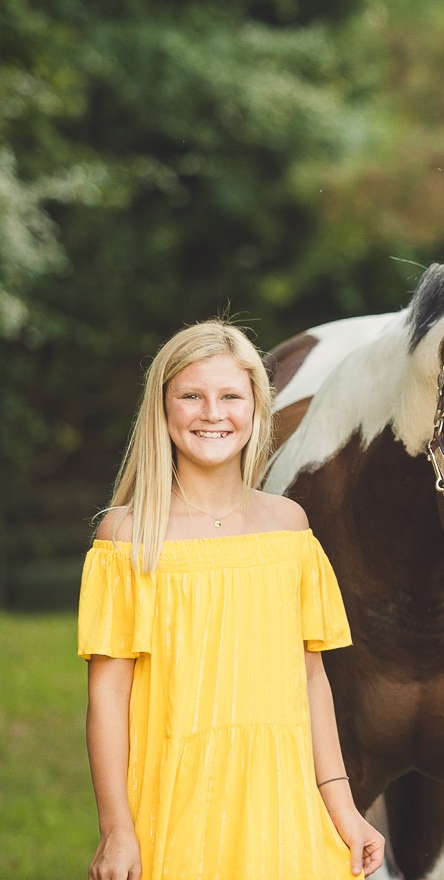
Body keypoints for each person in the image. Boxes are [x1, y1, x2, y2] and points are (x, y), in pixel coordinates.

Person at [79, 320, 385, 880]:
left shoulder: (289, 526)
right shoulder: (128, 537)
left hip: (282, 805)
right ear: (163, 408)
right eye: (191, 395)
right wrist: (116, 828)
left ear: (256, 408)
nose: (212, 413)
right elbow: (108, 694)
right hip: (173, 805)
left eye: (230, 396)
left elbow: (311, 679)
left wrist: (345, 811)